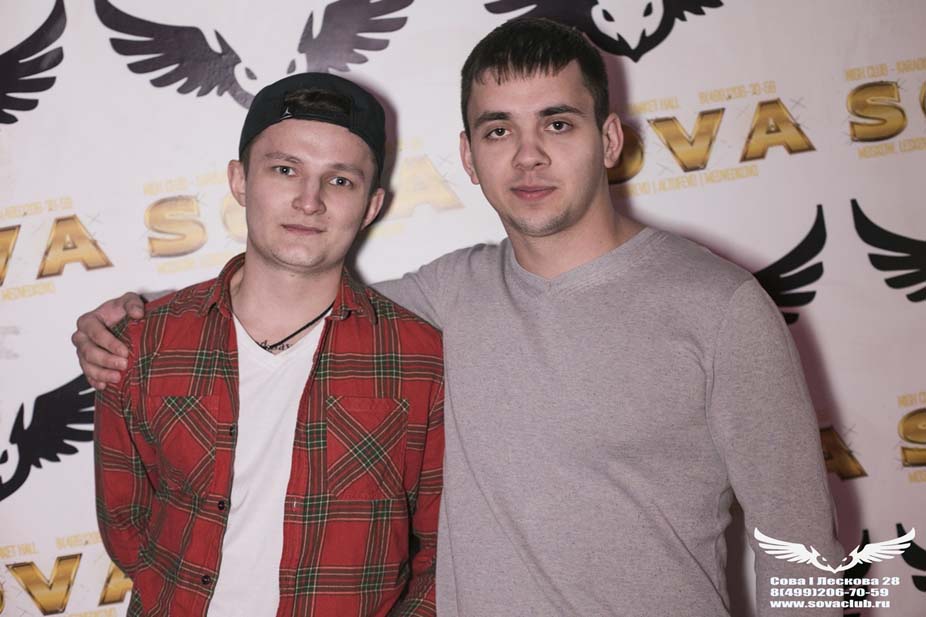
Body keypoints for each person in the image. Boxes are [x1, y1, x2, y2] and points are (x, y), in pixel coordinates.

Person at [78, 19, 839, 616]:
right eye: (499, 130)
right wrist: (126, 324)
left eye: (558, 124)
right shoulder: (447, 297)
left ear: (609, 139)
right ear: (470, 157)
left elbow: (804, 555)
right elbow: (293, 288)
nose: (528, 156)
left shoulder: (718, 306)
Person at [92, 72, 444, 617]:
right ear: (240, 180)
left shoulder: (422, 361)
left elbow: (444, 554)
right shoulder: (142, 343)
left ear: (372, 205)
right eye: (285, 170)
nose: (309, 201)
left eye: (340, 180)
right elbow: (126, 522)